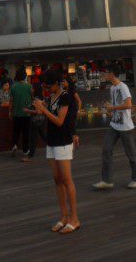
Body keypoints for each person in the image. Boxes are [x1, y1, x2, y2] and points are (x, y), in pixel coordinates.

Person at [33, 70, 79, 234]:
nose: (46, 89)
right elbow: (51, 116)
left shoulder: (65, 97)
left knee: (67, 180)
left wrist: (44, 111)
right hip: (51, 142)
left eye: (47, 86)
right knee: (57, 179)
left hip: (63, 141)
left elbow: (60, 121)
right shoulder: (51, 97)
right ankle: (64, 216)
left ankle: (74, 218)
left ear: (55, 84)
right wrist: (38, 110)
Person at [93, 63, 136, 190]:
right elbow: (118, 105)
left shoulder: (123, 87)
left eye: (106, 72)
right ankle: (107, 180)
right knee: (106, 150)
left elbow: (128, 105)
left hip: (125, 127)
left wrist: (113, 107)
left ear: (112, 74)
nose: (104, 75)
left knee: (131, 154)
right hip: (114, 125)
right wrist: (111, 110)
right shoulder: (112, 88)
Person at [10, 67, 32, 159]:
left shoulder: (13, 86)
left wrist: (9, 112)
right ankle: (25, 151)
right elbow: (33, 98)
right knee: (25, 133)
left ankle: (15, 145)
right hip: (27, 113)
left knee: (16, 131)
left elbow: (11, 101)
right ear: (25, 76)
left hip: (16, 113)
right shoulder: (29, 86)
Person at [22, 82, 48, 161]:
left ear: (35, 89)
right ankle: (56, 146)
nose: (31, 89)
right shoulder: (41, 97)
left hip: (36, 120)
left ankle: (30, 156)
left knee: (33, 138)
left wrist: (28, 110)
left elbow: (38, 111)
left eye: (32, 88)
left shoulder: (36, 99)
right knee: (44, 136)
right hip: (42, 120)